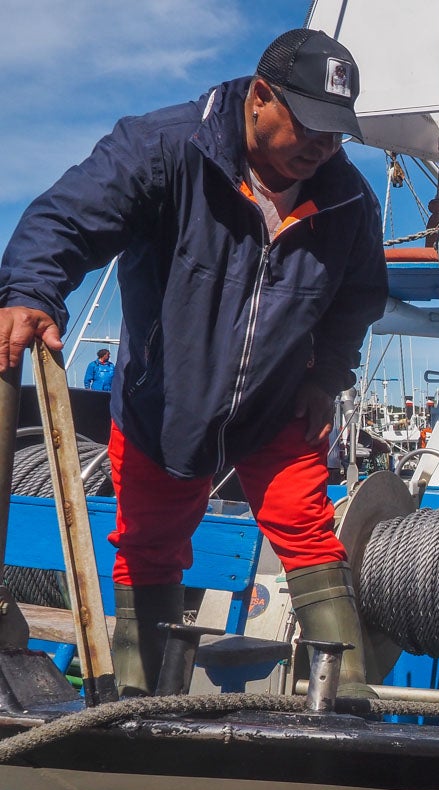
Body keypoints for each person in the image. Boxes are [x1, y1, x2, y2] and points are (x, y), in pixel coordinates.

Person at [0, 29, 389, 698]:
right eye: (309, 127)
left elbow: (355, 301)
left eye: (335, 133)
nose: (323, 146)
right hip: (164, 404)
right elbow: (66, 217)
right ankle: (133, 699)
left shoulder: (349, 200)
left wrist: (328, 378)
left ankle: (346, 702)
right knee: (149, 541)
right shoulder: (163, 147)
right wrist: (32, 291)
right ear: (261, 98)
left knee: (308, 530)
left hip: (276, 402)